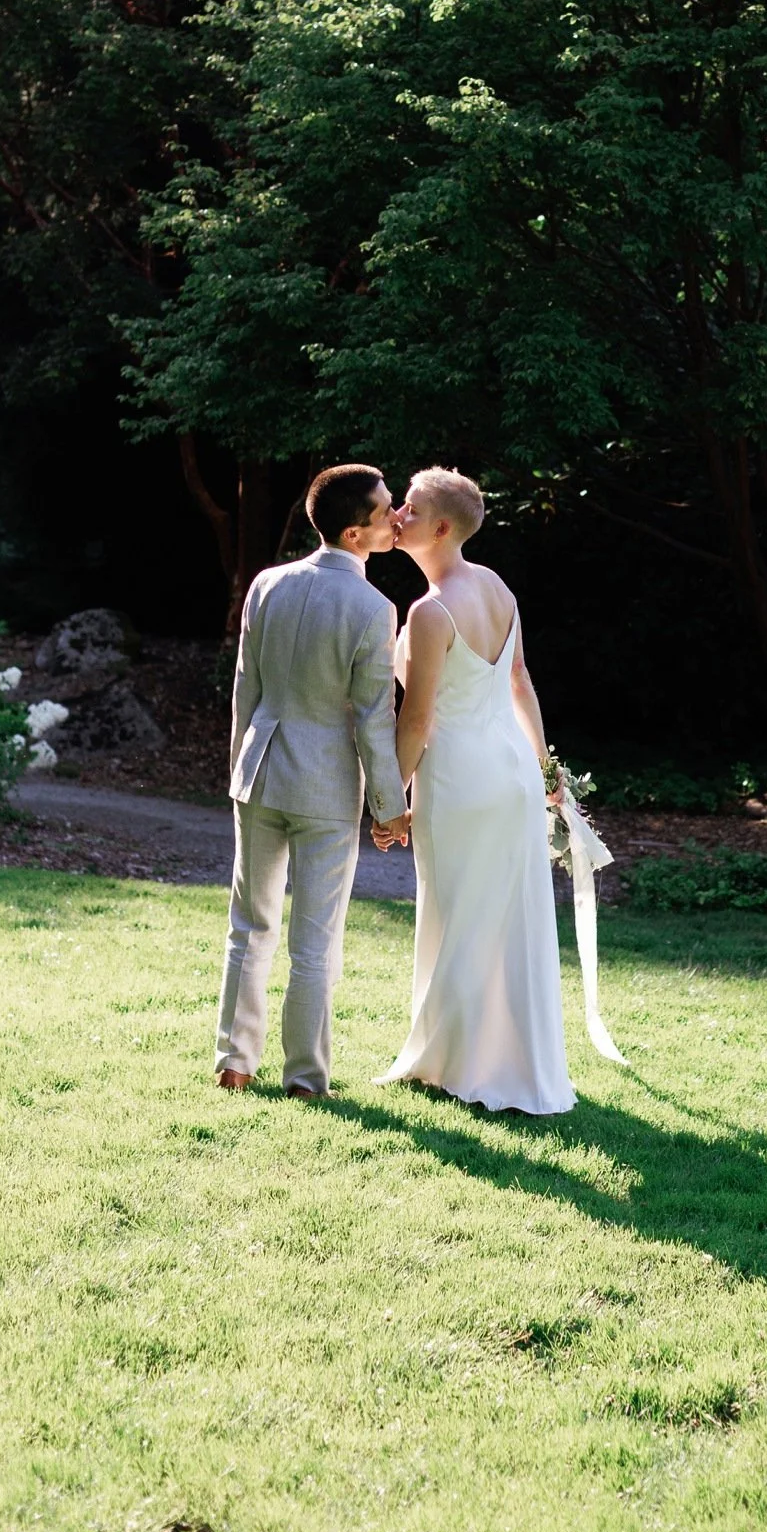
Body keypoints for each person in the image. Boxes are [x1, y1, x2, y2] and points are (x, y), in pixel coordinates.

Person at [376, 466, 575, 1115]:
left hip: (461, 773)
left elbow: (418, 720)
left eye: (407, 507)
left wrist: (387, 796)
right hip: (512, 771)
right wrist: (545, 773)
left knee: (457, 914)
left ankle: (452, 1062)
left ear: (439, 527)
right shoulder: (495, 587)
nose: (396, 515)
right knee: (504, 919)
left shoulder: (431, 612)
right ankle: (502, 1062)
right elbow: (521, 680)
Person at [214, 463, 410, 1098]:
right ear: (356, 534)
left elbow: (247, 688)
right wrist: (390, 807)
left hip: (260, 769)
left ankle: (235, 1063)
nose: (396, 518)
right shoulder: (375, 608)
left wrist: (239, 763)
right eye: (386, 512)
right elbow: (375, 719)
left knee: (250, 925)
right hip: (325, 783)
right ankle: (304, 1078)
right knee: (316, 941)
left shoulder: (267, 585)